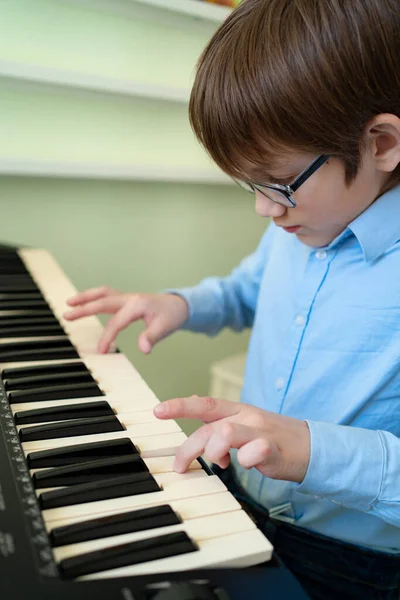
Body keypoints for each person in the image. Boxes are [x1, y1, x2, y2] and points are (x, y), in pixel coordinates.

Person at [64, 1, 400, 598]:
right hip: (245, 500)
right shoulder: (300, 221)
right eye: (250, 185)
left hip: (360, 558)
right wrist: (183, 304)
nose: (264, 209)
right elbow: (248, 289)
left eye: (278, 185)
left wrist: (311, 449)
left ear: (381, 143)